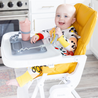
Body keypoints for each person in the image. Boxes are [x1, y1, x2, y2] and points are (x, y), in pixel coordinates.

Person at [6, 4, 80, 88]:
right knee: (33, 52)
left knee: (38, 65)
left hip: (61, 60)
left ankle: (20, 81)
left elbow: (71, 47)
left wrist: (61, 37)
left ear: (73, 20)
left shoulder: (71, 32)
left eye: (66, 16)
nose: (61, 18)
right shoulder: (56, 28)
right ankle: (26, 69)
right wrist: (38, 36)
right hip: (52, 54)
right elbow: (47, 32)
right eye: (58, 15)